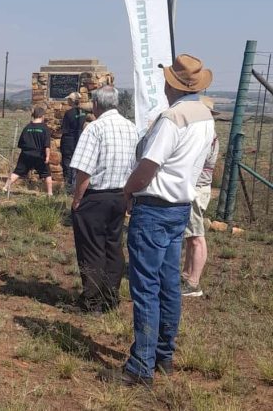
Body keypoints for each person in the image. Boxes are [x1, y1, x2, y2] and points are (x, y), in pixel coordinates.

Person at [105, 54, 214, 387]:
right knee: (168, 286)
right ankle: (164, 355)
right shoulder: (206, 116)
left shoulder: (173, 118)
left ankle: (141, 366)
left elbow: (148, 166)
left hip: (153, 208)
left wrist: (127, 192)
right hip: (180, 208)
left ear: (173, 84)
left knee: (146, 289)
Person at [69, 86, 138, 313]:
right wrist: (129, 197)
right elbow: (136, 166)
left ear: (96, 105)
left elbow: (84, 170)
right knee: (113, 247)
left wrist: (77, 199)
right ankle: (110, 298)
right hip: (120, 195)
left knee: (91, 249)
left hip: (95, 197)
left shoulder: (94, 129)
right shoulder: (131, 128)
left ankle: (92, 302)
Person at [181, 96, 220, 298]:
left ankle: (193, 282)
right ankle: (188, 274)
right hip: (200, 187)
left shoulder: (206, 135)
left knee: (196, 236)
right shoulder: (210, 134)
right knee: (192, 235)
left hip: (197, 188)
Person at [3, 106, 53, 196]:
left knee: (17, 172)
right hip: (40, 155)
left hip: (26, 154)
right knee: (47, 174)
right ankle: (50, 194)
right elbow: (47, 145)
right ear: (42, 116)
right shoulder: (45, 128)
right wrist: (47, 156)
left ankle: (5, 188)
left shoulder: (27, 127)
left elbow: (21, 143)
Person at [60, 92, 86, 191]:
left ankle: (69, 186)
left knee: (67, 163)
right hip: (80, 140)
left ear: (71, 101)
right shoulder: (83, 112)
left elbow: (64, 129)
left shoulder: (68, 113)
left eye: (68, 100)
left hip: (68, 141)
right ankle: (77, 185)